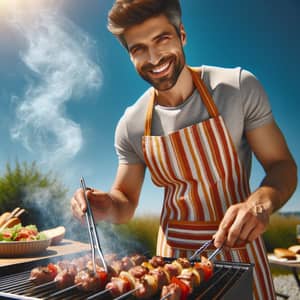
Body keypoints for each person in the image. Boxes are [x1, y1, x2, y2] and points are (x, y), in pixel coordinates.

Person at [71, 1, 297, 299]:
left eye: (161, 39)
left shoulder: (237, 88)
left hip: (240, 250)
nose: (153, 58)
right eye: (138, 49)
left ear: (182, 34)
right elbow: (125, 201)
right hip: (170, 265)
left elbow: (282, 165)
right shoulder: (132, 123)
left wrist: (259, 205)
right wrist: (106, 205)